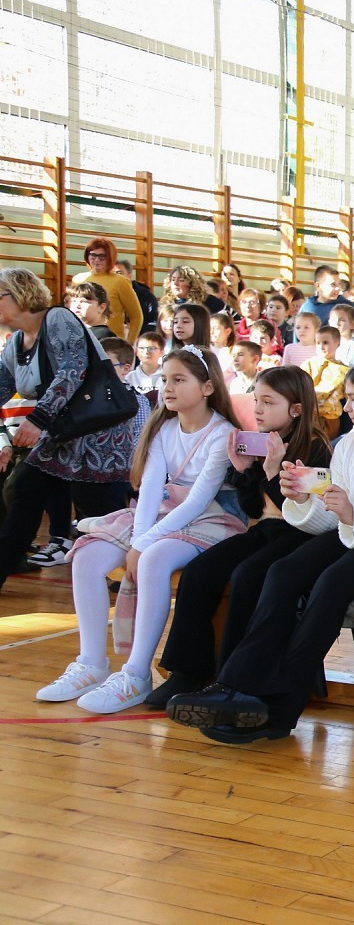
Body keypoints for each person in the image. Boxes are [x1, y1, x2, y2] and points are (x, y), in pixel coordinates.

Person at [165, 359, 354, 743]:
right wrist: (300, 500)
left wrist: (352, 514)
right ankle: (237, 686)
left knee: (331, 585)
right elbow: (330, 517)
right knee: (283, 572)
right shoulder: (351, 444)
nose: (346, 407)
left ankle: (279, 710)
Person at [37, 345, 242, 712]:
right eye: (165, 379)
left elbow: (197, 501)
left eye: (179, 380)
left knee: (154, 560)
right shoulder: (163, 427)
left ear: (208, 387)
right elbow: (149, 489)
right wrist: (138, 538)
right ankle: (91, 662)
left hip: (209, 518)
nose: (168, 388)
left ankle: (136, 673)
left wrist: (144, 545)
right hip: (163, 513)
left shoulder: (221, 433)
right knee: (87, 556)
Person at [145, 367, 332, 707]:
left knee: (248, 576)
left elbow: (304, 514)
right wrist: (245, 470)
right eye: (256, 400)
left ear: (296, 409)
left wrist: (273, 472)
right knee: (199, 572)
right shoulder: (260, 442)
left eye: (268, 402)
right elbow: (253, 508)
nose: (257, 409)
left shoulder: (316, 448)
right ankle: (187, 671)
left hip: (301, 535)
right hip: (265, 529)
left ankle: (231, 676)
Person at [0, 270, 144, 593]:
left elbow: (72, 371)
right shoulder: (15, 344)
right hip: (62, 433)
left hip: (99, 434)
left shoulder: (58, 319)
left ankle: (135, 573)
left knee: (101, 511)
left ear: (20, 295)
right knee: (24, 490)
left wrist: (37, 419)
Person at [71, 238, 144, 341]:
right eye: (93, 255)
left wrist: (129, 343)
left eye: (102, 257)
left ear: (110, 258)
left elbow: (136, 316)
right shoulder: (78, 279)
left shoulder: (121, 281)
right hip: (83, 339)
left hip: (112, 341)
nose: (97, 260)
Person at [305, 325, 349, 439]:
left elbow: (348, 395)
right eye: (318, 343)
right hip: (309, 414)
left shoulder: (344, 370)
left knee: (326, 444)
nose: (321, 346)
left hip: (331, 417)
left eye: (325, 342)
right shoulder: (308, 364)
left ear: (337, 343)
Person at [299, 265, 354, 334]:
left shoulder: (347, 306)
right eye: (333, 284)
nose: (337, 288)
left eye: (338, 284)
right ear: (318, 286)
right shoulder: (307, 308)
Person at [112, 258, 157, 334]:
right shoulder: (106, 294)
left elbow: (153, 322)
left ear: (129, 275)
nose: (115, 277)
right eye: (112, 274)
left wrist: (136, 329)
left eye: (119, 273)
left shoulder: (145, 295)